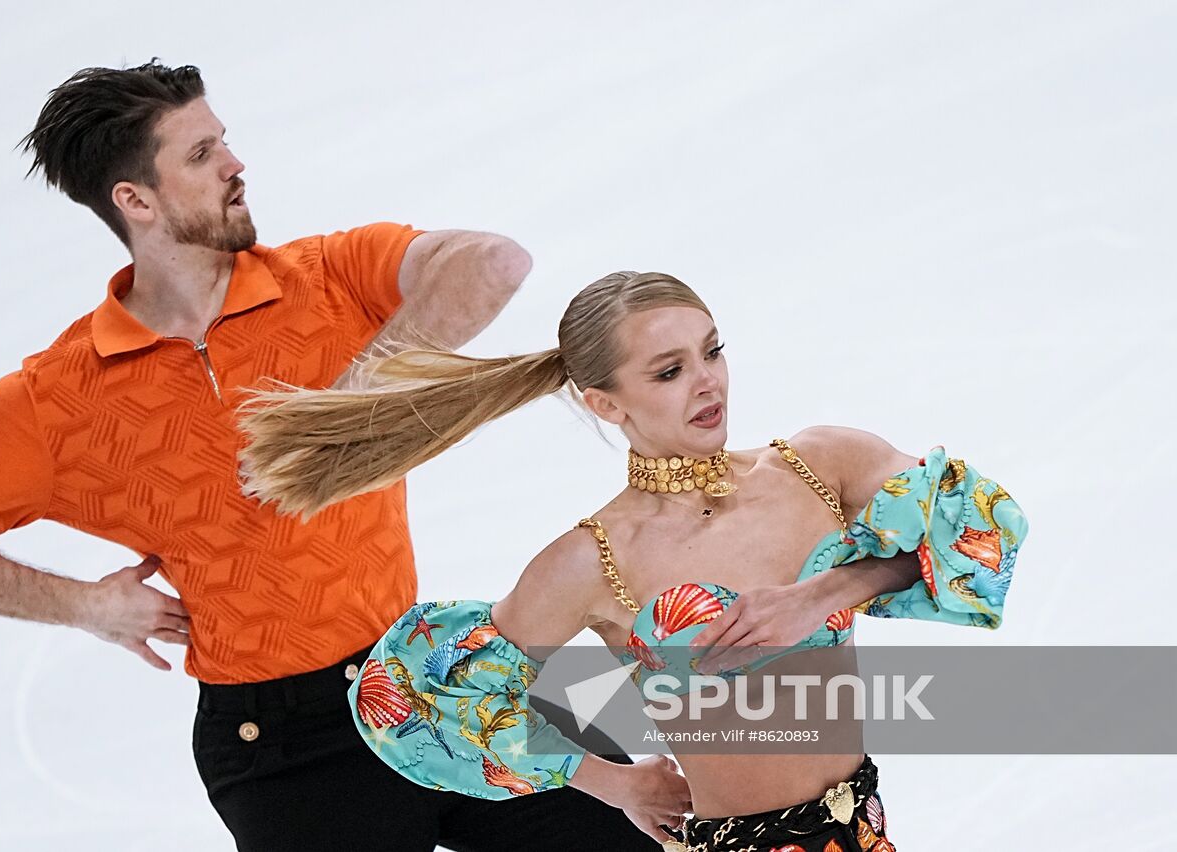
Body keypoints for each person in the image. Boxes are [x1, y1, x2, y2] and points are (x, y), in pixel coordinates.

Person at [0, 60, 676, 851]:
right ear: (134, 201)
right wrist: (85, 605)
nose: (235, 163)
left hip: (438, 671)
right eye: (201, 154)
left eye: (223, 140)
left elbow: (492, 264)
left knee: (659, 827)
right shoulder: (61, 396)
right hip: (283, 744)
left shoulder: (324, 279)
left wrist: (343, 407)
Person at [237, 270, 1029, 849]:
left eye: (711, 351)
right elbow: (412, 694)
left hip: (867, 828)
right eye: (670, 371)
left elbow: (977, 524)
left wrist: (826, 589)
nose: (708, 382)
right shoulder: (594, 559)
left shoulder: (820, 465)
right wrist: (613, 784)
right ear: (605, 403)